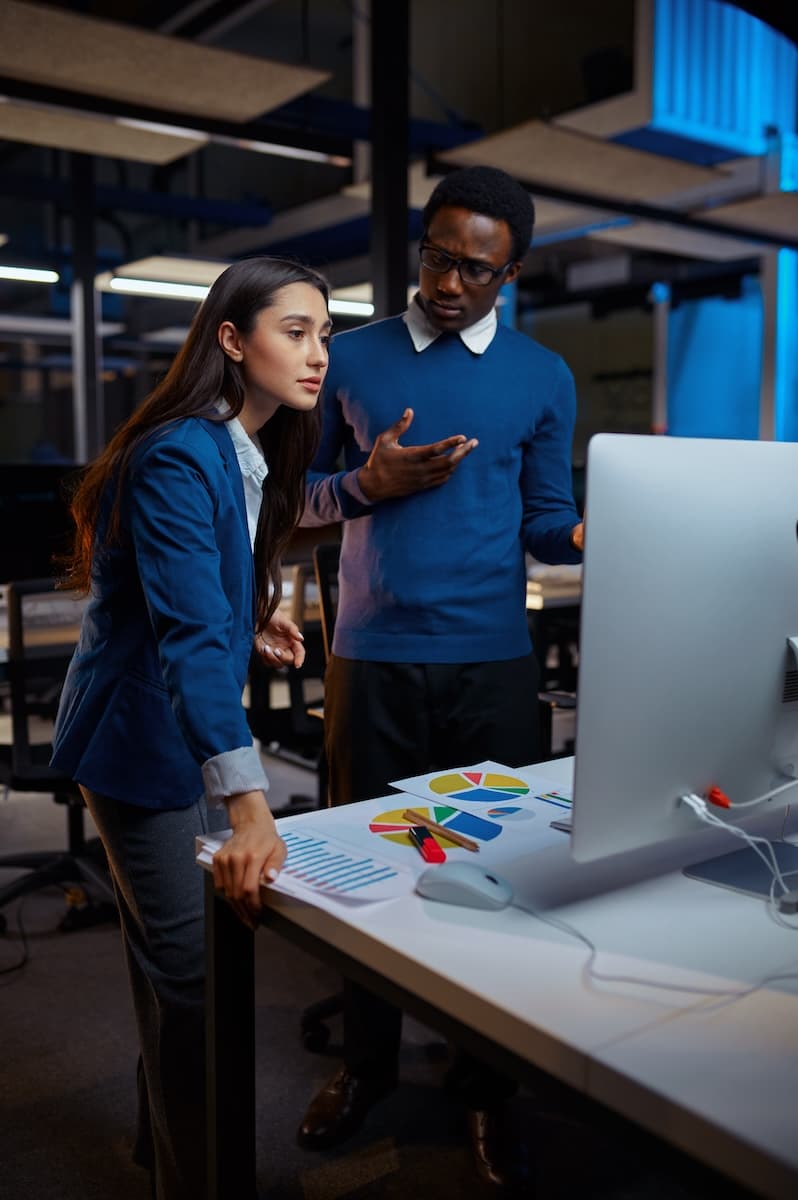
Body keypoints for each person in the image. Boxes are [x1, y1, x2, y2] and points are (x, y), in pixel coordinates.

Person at [299, 166, 584, 1186]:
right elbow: (292, 501)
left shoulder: (543, 376)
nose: (449, 281)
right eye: (436, 255)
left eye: (475, 266)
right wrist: (362, 484)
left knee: (491, 884)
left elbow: (547, 519)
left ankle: (482, 1087)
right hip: (373, 662)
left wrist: (595, 529)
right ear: (419, 245)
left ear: (512, 271)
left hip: (493, 668)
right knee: (365, 880)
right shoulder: (350, 357)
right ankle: (367, 1069)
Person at [51, 257, 331, 1200]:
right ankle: (199, 1181)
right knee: (195, 984)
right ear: (230, 339)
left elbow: (192, 601)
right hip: (136, 745)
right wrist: (252, 808)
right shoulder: (180, 452)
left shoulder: (243, 453)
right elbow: (179, 638)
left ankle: (160, 1144)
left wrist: (247, 619)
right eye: (294, 331)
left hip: (177, 724)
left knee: (174, 967)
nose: (317, 353)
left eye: (324, 334)